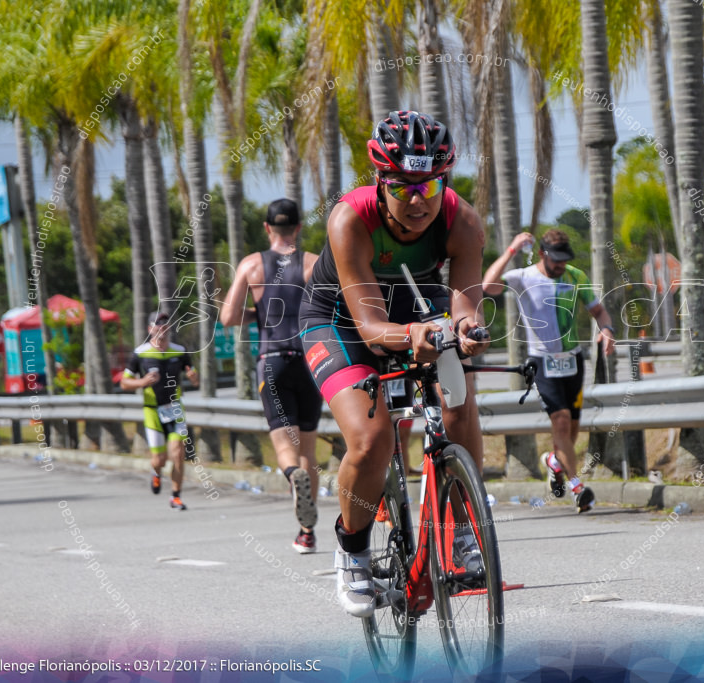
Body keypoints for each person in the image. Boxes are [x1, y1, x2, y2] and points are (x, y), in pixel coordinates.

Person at [299, 110, 489, 617]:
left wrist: (465, 332)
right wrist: (413, 336)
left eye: (429, 186)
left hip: (415, 306)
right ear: (380, 180)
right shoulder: (349, 218)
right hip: (339, 320)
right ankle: (353, 550)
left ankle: (467, 531)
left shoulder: (462, 220)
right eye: (402, 186)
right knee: (373, 438)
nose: (417, 201)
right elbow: (369, 328)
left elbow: (465, 304)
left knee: (459, 402)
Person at [483, 230, 616, 513]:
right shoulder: (524, 277)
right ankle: (577, 487)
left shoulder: (575, 276)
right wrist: (510, 251)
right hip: (542, 361)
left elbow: (599, 312)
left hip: (573, 361)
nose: (560, 265)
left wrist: (607, 330)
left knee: (572, 428)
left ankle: (555, 462)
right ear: (543, 254)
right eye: (555, 260)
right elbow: (488, 285)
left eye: (564, 259)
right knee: (562, 421)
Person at [221, 198, 322, 554]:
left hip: (272, 360)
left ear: (267, 228)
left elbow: (229, 317)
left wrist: (260, 313)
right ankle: (307, 532)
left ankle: (290, 474)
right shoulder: (312, 264)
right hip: (309, 360)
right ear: (297, 228)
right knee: (307, 445)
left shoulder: (251, 265)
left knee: (285, 445)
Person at [120, 312, 200, 511]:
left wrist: (193, 376)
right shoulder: (140, 353)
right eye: (158, 324)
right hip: (152, 411)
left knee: (178, 453)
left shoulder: (180, 351)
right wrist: (142, 382)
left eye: (165, 324)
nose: (162, 327)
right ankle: (156, 473)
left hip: (174, 408)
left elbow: (195, 380)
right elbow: (124, 383)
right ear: (150, 329)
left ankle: (176, 496)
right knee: (159, 460)